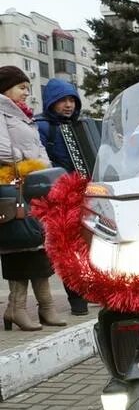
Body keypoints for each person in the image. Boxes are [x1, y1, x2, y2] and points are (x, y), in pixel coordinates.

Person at [0, 65, 65, 331]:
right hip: (15, 186)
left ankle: (45, 306)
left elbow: (38, 149)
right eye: (21, 87)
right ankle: (17, 308)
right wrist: (32, 162)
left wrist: (43, 168)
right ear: (6, 88)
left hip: (33, 186)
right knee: (20, 244)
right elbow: (3, 151)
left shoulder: (22, 114)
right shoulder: (3, 112)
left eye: (27, 87)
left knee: (38, 244)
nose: (27, 92)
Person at [35, 78, 89, 315]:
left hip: (86, 194)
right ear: (50, 102)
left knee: (89, 245)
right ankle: (78, 301)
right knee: (68, 249)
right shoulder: (43, 126)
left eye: (72, 101)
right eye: (62, 101)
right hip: (60, 197)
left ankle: (92, 291)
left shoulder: (81, 126)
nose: (68, 106)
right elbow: (40, 162)